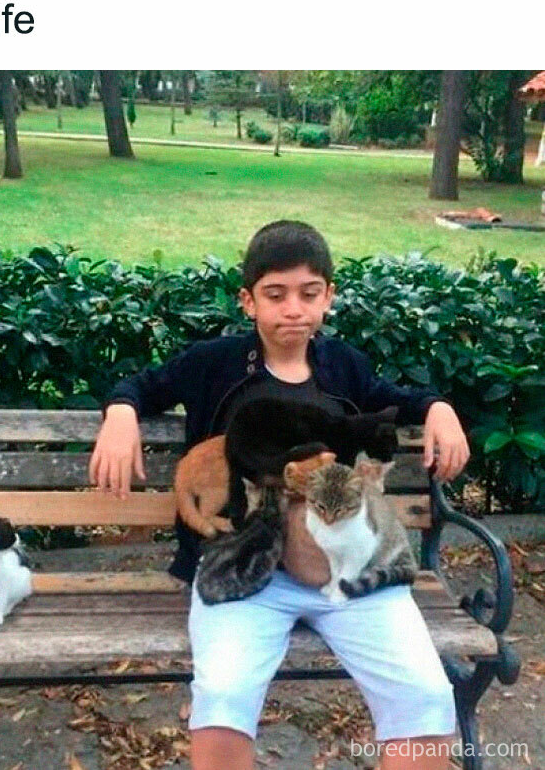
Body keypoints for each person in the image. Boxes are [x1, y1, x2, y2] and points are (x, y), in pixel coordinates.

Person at [89, 220, 470, 770]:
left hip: (348, 567)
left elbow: (397, 397)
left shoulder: (344, 366)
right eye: (276, 294)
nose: (294, 309)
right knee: (222, 694)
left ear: (328, 298)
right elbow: (141, 385)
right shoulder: (214, 363)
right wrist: (122, 413)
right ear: (248, 301)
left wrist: (439, 408)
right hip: (243, 568)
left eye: (309, 294)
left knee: (426, 695)